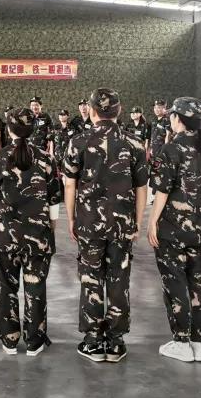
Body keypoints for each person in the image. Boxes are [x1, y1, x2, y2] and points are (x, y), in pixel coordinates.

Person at [63, 88, 150, 363]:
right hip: (122, 224)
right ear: (119, 110)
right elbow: (142, 187)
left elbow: (69, 183)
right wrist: (137, 222)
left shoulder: (78, 141)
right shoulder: (134, 143)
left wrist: (71, 218)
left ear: (90, 111)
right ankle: (115, 341)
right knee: (119, 279)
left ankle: (92, 341)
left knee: (91, 278)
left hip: (89, 222)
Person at [145, 97, 201, 363]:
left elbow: (162, 190)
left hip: (174, 229)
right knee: (199, 282)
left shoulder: (172, 148)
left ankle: (181, 341)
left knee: (175, 281)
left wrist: (152, 221)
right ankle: (198, 343)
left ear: (177, 118)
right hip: (200, 229)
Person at [0, 108, 61, 356]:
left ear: (8, 129)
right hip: (37, 233)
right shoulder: (46, 158)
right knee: (35, 287)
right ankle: (34, 341)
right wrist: (50, 228)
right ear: (33, 130)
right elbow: (54, 198)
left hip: (5, 233)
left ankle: (9, 340)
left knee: (6, 288)